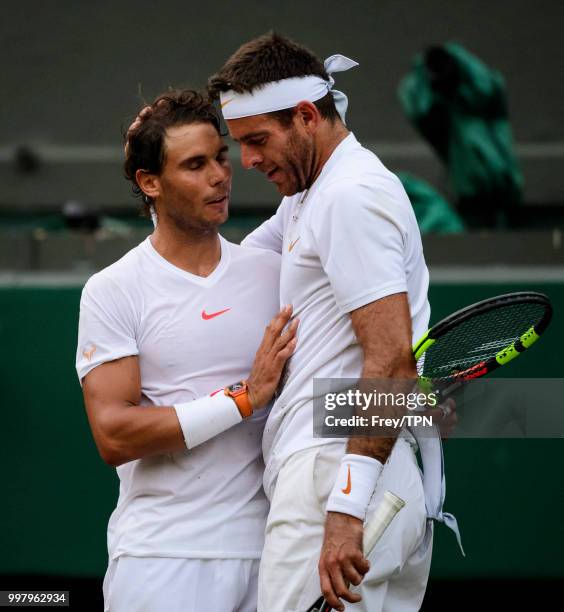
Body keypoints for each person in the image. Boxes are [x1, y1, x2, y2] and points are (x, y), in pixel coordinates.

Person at [208, 33, 459, 612]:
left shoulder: (348, 195)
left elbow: (393, 360)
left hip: (336, 477)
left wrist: (345, 512)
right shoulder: (310, 195)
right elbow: (231, 266)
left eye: (256, 141)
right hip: (363, 473)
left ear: (305, 117)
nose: (245, 161)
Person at [75, 89, 298, 612]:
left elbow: (315, 396)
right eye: (195, 165)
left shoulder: (274, 275)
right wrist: (244, 399)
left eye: (220, 157)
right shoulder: (113, 289)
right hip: (161, 560)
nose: (220, 175)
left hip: (272, 559)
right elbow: (113, 433)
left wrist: (414, 408)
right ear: (149, 183)